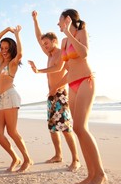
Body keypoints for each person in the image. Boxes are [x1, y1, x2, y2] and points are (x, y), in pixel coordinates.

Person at [50, 9, 106, 184]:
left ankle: (100, 174)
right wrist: (56, 86)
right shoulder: (64, 41)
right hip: (72, 84)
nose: (58, 25)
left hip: (85, 81)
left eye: (60, 21)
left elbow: (84, 53)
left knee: (81, 127)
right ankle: (90, 174)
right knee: (77, 129)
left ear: (67, 19)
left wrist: (68, 33)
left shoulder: (80, 32)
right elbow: (68, 69)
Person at [28, 10, 81, 172]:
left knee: (65, 128)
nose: (44, 46)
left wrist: (39, 71)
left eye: (47, 43)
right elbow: (38, 38)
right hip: (51, 95)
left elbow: (58, 68)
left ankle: (76, 159)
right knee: (52, 127)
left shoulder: (59, 53)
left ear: (54, 41)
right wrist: (35, 20)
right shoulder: (49, 53)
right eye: (44, 44)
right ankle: (58, 155)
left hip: (61, 94)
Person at [0, 26, 33, 172]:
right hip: (2, 99)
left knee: (12, 131)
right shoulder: (1, 61)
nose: (3, 50)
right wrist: (6, 30)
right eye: (2, 47)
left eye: (7, 48)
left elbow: (20, 53)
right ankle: (15, 158)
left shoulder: (12, 63)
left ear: (11, 49)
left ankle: (27, 159)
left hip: (10, 96)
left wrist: (16, 34)